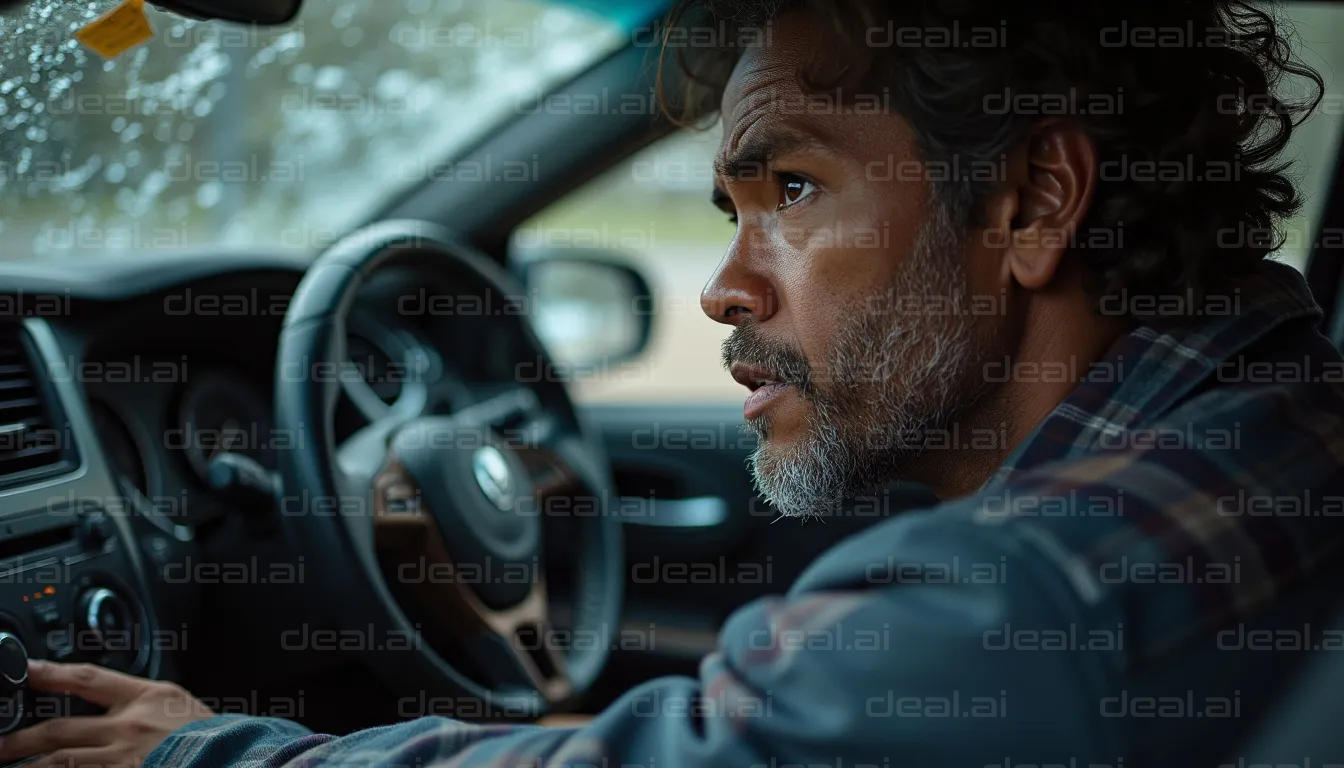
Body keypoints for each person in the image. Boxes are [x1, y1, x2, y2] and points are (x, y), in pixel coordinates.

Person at [6, 0, 1344, 765]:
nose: (722, 288)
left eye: (794, 189)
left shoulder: (1009, 605)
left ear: (1033, 200)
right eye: (726, 211)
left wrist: (202, 754)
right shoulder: (1281, 408)